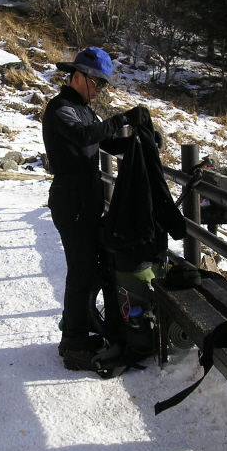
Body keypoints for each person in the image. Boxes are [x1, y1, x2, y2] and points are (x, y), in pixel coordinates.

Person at [42, 47, 151, 371]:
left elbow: (105, 142)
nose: (99, 89)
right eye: (97, 83)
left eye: (103, 85)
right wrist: (123, 118)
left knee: (88, 270)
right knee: (81, 272)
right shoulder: (61, 109)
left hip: (84, 198)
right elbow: (83, 136)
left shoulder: (84, 110)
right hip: (70, 198)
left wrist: (140, 141)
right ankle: (74, 345)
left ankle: (77, 334)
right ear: (77, 77)